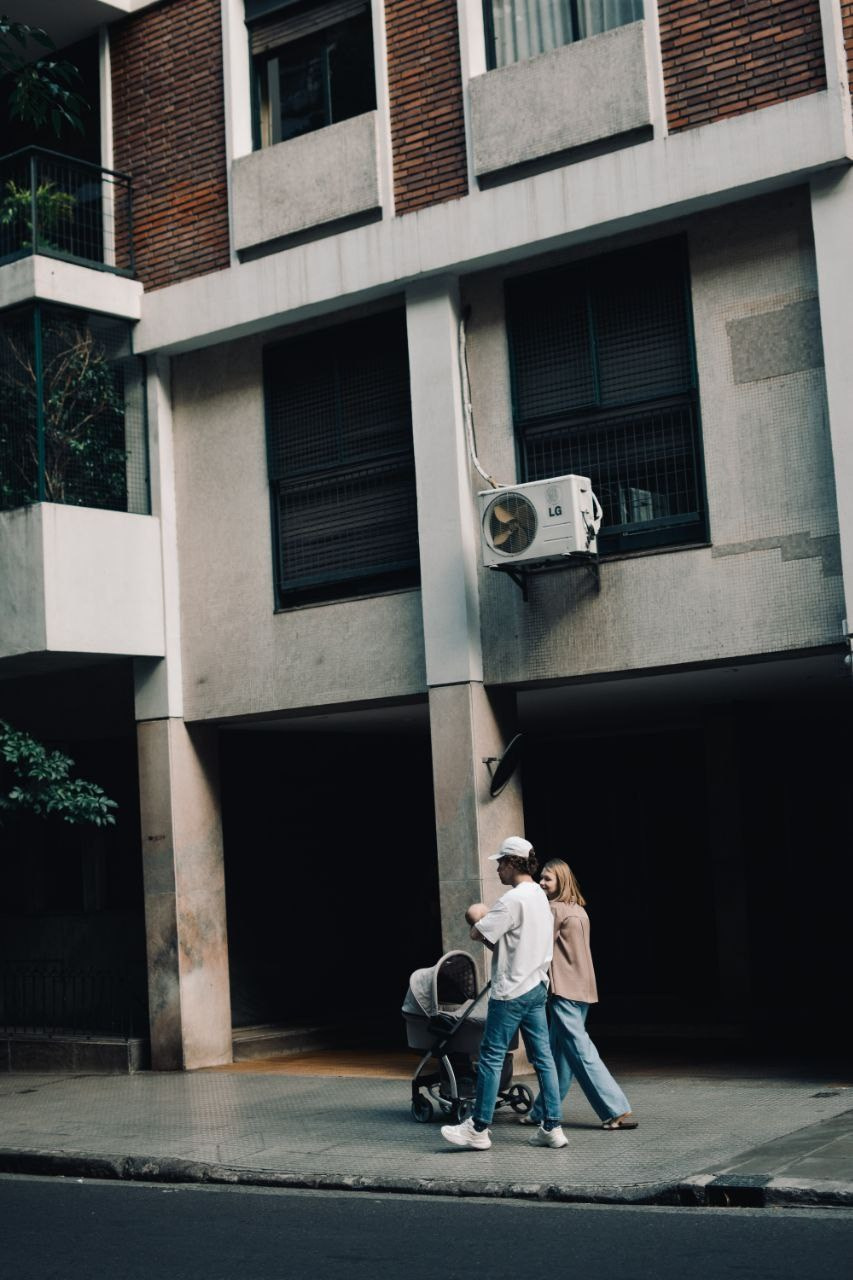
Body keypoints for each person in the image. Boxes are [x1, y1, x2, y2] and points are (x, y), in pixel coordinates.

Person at [440, 836, 568, 1151]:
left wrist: (478, 914)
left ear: (512, 863)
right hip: (537, 987)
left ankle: (478, 1128)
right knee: (544, 1060)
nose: (498, 869)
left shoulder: (512, 901)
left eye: (500, 862)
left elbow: (478, 932)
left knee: (490, 1057)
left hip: (511, 990)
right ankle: (552, 1127)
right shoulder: (539, 895)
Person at [521, 858, 637, 1131]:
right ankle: (542, 1111)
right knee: (560, 1054)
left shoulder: (553, 910)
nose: (542, 882)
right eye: (542, 877)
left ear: (561, 880)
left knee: (580, 1050)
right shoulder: (579, 910)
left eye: (548, 878)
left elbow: (539, 949)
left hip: (564, 989)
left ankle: (615, 1108)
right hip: (583, 988)